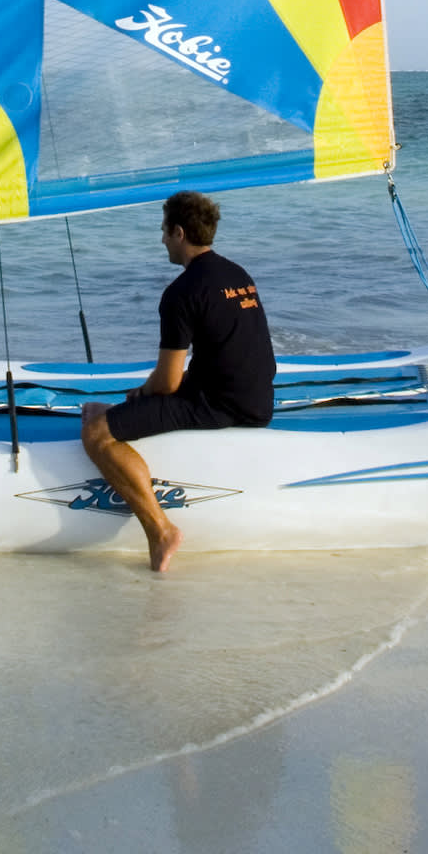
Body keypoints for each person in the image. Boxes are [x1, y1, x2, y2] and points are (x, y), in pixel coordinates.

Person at [80, 190, 276, 572]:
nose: (162, 240)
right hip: (257, 395)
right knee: (120, 408)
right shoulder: (238, 274)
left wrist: (138, 399)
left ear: (180, 233)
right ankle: (115, 412)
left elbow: (168, 384)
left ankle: (160, 531)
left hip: (223, 404)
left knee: (97, 432)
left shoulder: (181, 293)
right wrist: (138, 399)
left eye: (164, 231)